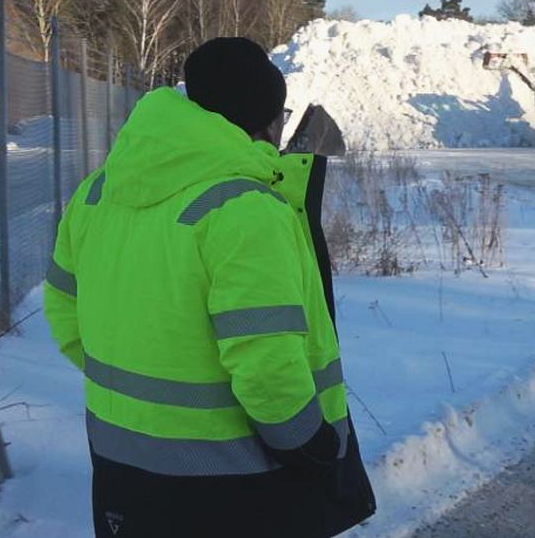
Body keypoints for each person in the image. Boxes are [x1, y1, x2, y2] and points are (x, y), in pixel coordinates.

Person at [44, 37, 376, 537]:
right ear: (262, 121)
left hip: (120, 474)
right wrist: (310, 445)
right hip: (230, 489)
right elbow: (266, 364)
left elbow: (64, 314)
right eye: (279, 114)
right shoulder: (244, 210)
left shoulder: (96, 193)